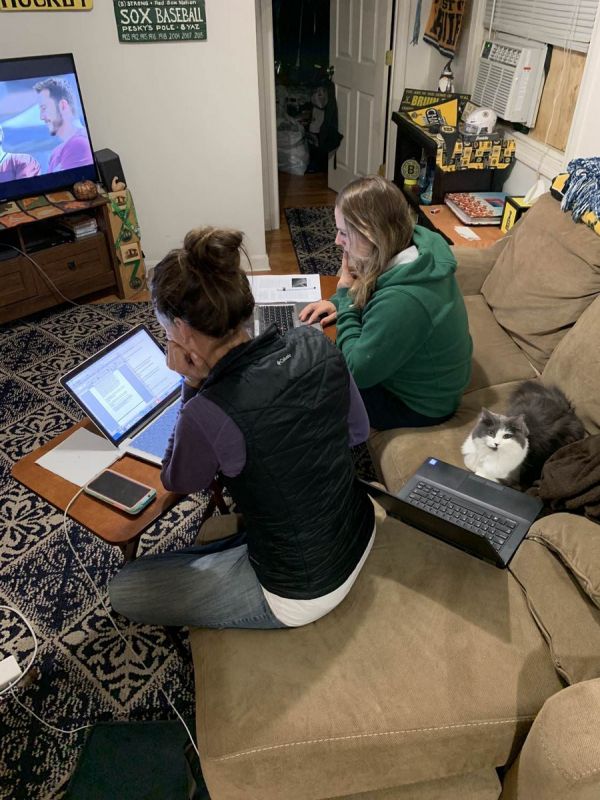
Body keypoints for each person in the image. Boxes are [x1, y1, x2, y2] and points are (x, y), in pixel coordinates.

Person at [109, 227, 375, 630]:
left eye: (165, 331)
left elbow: (178, 479)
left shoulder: (208, 411)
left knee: (126, 588)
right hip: (359, 525)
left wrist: (191, 382)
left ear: (182, 331)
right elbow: (357, 432)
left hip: (305, 589)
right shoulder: (316, 343)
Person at [300, 175, 472, 431]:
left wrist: (346, 299)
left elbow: (356, 371)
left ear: (372, 234)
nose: (337, 241)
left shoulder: (404, 300)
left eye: (344, 233)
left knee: (311, 386)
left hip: (420, 405)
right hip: (425, 379)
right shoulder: (410, 240)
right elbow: (376, 284)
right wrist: (338, 302)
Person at [34, 77, 93, 172]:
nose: (41, 117)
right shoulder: (57, 152)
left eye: (44, 108)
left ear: (63, 106)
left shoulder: (78, 144)